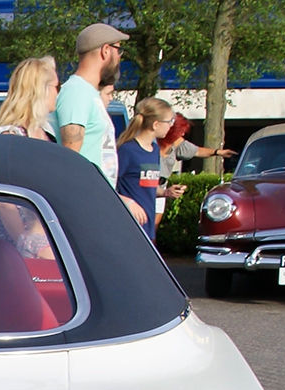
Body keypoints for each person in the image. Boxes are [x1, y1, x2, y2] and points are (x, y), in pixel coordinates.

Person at [55, 23, 146, 226]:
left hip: (95, 204)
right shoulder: (76, 92)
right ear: (106, 50)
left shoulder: (89, 94)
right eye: (119, 50)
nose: (120, 57)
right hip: (83, 210)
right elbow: (70, 159)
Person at [0, 58, 59, 259]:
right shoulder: (10, 138)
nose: (58, 93)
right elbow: (4, 203)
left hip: (44, 237)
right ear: (41, 89)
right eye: (56, 86)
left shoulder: (47, 134)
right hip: (15, 246)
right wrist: (25, 244)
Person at [155, 113, 235, 222]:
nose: (183, 133)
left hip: (161, 187)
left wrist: (218, 152)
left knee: (152, 230)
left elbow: (196, 151)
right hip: (146, 185)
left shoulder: (177, 143)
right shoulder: (150, 143)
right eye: (180, 131)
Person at [116, 97, 174, 241]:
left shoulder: (154, 150)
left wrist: (166, 192)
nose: (170, 126)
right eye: (169, 122)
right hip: (129, 226)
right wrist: (129, 202)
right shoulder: (127, 150)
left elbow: (147, 187)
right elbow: (106, 186)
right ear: (156, 124)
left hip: (147, 226)